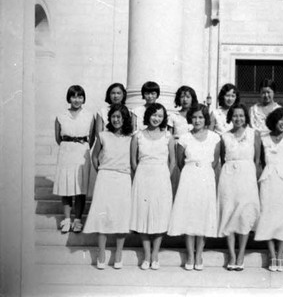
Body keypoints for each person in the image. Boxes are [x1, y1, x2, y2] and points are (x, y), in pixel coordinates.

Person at [168, 104, 220, 271]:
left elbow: (215, 161)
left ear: (206, 119)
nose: (197, 120)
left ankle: (199, 254)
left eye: (201, 117)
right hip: (189, 177)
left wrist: (203, 171)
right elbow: (180, 162)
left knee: (203, 214)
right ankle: (190, 254)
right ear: (190, 118)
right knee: (190, 215)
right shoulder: (184, 138)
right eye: (195, 117)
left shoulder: (214, 137)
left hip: (206, 177)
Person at [83, 104, 133, 270]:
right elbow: (95, 156)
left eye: (120, 117)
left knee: (121, 215)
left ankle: (118, 253)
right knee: (102, 215)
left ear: (125, 119)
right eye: (113, 117)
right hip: (105, 178)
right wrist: (102, 171)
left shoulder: (132, 138)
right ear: (109, 118)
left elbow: (134, 160)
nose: (116, 120)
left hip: (124, 178)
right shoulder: (103, 135)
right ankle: (102, 253)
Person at [130, 103, 175, 270]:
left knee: (159, 215)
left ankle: (155, 254)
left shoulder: (167, 136)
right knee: (143, 215)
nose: (156, 118)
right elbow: (133, 161)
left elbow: (173, 162)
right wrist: (141, 174)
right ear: (148, 115)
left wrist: (164, 176)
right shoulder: (138, 135)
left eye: (160, 116)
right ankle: (146, 255)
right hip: (143, 177)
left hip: (161, 178)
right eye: (154, 115)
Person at [217, 103, 260, 271]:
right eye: (235, 116)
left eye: (241, 115)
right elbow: (222, 158)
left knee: (245, 214)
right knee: (229, 212)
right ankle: (231, 254)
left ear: (246, 117)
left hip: (247, 176)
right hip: (228, 177)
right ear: (230, 117)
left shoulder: (253, 134)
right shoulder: (224, 136)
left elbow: (257, 159)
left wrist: (253, 176)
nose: (238, 119)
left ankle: (241, 253)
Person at [254, 108, 283, 272]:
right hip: (268, 180)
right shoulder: (263, 138)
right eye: (280, 119)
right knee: (268, 215)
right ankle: (272, 254)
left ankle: (280, 254)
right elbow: (261, 162)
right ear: (274, 120)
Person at [54, 85, 95, 234]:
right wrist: (69, 145)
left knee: (80, 188)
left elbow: (92, 137)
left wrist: (81, 147)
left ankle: (77, 220)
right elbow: (58, 138)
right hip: (66, 151)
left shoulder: (90, 115)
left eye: (80, 97)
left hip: (81, 152)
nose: (77, 100)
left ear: (83, 98)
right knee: (66, 188)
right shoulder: (61, 115)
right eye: (73, 96)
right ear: (69, 98)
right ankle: (66, 220)